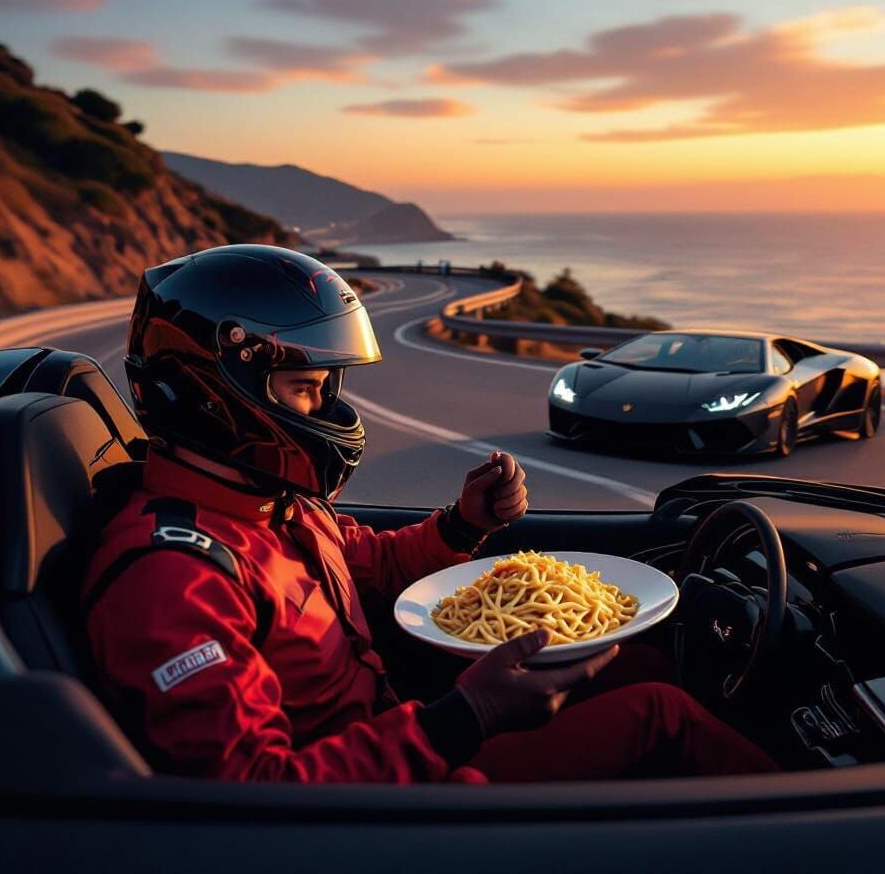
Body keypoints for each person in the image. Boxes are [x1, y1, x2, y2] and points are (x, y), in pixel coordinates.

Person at [83, 244, 776, 783]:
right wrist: (460, 719)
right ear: (214, 391)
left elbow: (373, 564)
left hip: (403, 736)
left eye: (329, 389)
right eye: (304, 389)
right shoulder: (171, 579)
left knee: (640, 662)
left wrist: (463, 525)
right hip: (402, 800)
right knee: (664, 716)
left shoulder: (275, 508)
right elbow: (257, 791)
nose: (326, 412)